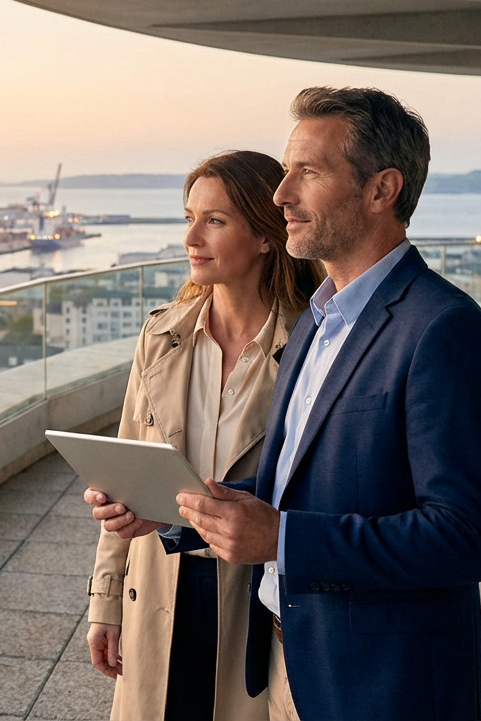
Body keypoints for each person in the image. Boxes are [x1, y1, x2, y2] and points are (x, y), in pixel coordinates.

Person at [96, 87, 481, 720]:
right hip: (289, 667)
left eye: (307, 173)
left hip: (377, 687)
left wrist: (284, 539)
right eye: (286, 171)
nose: (280, 193)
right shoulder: (320, 322)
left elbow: (469, 537)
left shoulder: (444, 331)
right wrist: (180, 511)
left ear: (382, 190)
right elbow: (296, 482)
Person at [85, 150, 323, 721]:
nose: (192, 235)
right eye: (189, 217)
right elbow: (125, 472)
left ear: (266, 236)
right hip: (157, 586)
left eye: (215, 220)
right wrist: (105, 601)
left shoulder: (311, 346)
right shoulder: (160, 336)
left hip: (251, 598)